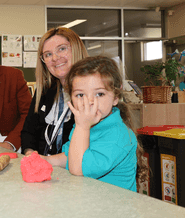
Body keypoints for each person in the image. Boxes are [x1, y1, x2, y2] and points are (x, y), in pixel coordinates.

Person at [46, 56, 148, 191]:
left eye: (99, 94)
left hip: (114, 209)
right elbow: (71, 154)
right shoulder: (85, 123)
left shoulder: (117, 135)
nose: (89, 102)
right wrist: (47, 160)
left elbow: (78, 168)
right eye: (80, 95)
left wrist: (82, 127)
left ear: (115, 97)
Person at [21, 27, 88, 157]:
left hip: (78, 171)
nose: (55, 58)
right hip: (43, 169)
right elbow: (28, 132)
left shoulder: (92, 93)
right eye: (48, 54)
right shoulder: (45, 91)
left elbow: (92, 147)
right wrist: (31, 155)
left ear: (76, 49)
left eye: (61, 49)